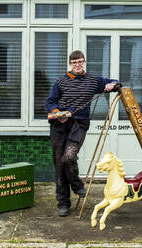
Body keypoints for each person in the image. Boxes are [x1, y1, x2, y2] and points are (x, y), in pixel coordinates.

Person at [45, 50, 120, 217]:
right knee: (59, 164)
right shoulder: (61, 82)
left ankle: (77, 186)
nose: (77, 65)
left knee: (69, 157)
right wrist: (58, 112)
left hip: (79, 124)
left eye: (80, 62)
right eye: (74, 63)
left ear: (84, 62)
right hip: (59, 125)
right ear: (70, 64)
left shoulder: (93, 81)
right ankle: (63, 203)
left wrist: (112, 84)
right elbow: (50, 102)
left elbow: (115, 83)